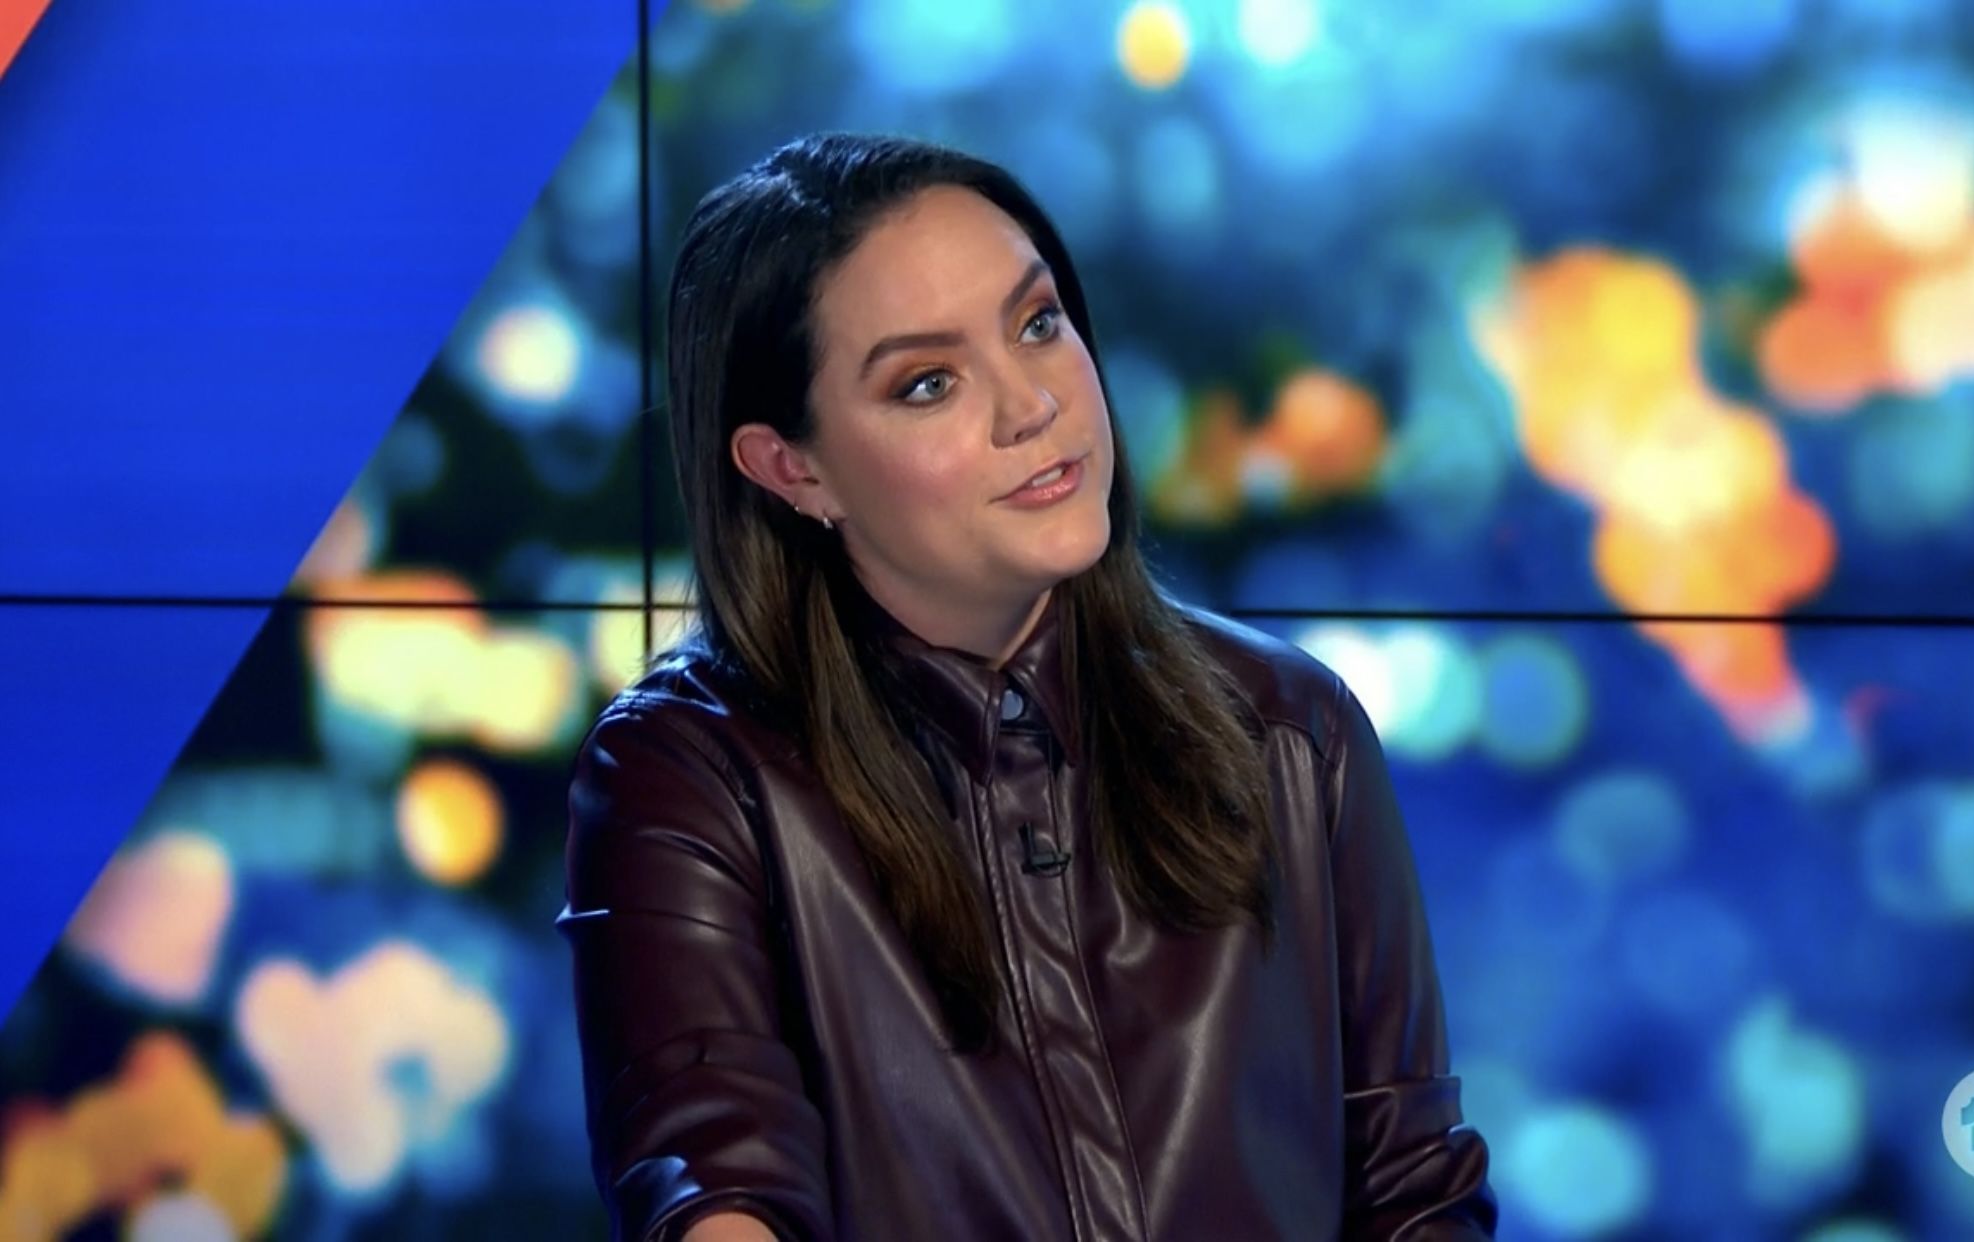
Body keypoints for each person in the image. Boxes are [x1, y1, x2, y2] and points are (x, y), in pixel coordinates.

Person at [558, 131, 1496, 1242]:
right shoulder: (686, 777)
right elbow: (716, 1179)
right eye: (928, 383)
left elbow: (1414, 1195)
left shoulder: (1294, 731)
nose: (1030, 406)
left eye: (1037, 323)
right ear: (791, 469)